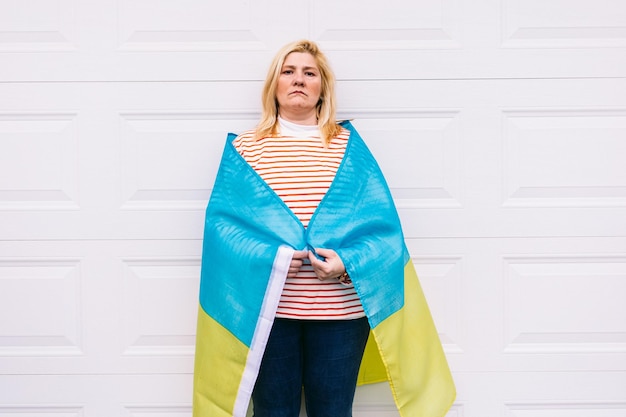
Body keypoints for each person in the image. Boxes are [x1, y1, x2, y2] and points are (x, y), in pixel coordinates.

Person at [193, 40, 455, 417]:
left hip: (340, 317)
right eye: (288, 71)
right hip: (269, 316)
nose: (298, 79)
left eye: (309, 73)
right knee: (273, 411)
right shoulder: (247, 149)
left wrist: (345, 262)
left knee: (332, 412)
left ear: (322, 88)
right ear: (274, 85)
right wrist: (277, 258)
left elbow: (382, 234)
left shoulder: (348, 147)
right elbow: (223, 232)